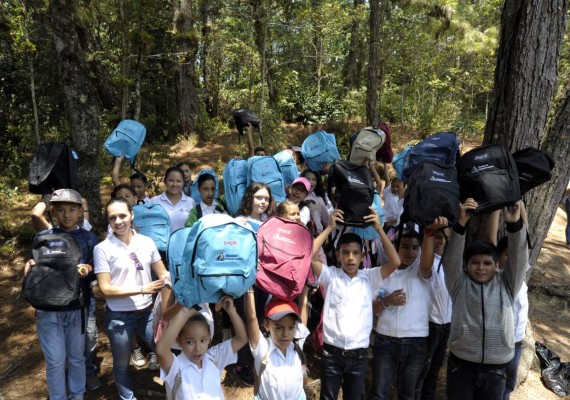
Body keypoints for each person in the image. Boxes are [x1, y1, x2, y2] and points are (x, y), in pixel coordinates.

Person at [311, 208, 400, 400]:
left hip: (359, 356)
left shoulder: (369, 277)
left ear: (362, 255)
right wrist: (329, 227)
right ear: (338, 255)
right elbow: (308, 255)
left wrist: (379, 228)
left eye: (355, 253)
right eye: (345, 253)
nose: (350, 258)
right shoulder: (331, 276)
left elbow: (395, 261)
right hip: (331, 355)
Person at [443, 199, 528, 400]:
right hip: (461, 365)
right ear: (467, 264)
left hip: (497, 368)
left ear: (497, 265)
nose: (481, 268)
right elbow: (452, 257)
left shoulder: (507, 283)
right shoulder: (458, 282)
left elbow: (519, 257)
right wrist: (461, 223)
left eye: (487, 263)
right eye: (475, 263)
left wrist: (514, 224)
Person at [25, 188, 99, 398]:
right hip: (47, 308)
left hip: (77, 307)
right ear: (53, 212)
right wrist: (30, 266)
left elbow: (97, 269)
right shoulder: (43, 237)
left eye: (71, 210)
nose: (66, 215)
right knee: (55, 360)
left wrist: (88, 270)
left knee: (77, 357)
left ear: (80, 212)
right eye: (61, 210)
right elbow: (37, 265)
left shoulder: (89, 239)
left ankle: (77, 395)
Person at [94, 198, 170, 400]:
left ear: (132, 215)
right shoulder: (102, 249)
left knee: (164, 350)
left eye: (122, 215)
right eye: (112, 218)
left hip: (147, 313)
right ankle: (128, 398)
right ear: (108, 222)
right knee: (121, 364)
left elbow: (163, 273)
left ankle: (176, 390)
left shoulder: (147, 242)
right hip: (119, 316)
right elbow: (106, 289)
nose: (118, 221)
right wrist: (143, 289)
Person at [368, 217, 448, 400]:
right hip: (386, 342)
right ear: (396, 248)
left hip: (416, 343)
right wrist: (387, 301)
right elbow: (373, 309)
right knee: (379, 394)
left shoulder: (423, 272)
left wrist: (429, 232)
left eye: (414, 247)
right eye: (405, 246)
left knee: (408, 394)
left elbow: (426, 264)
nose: (410, 252)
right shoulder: (384, 273)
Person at [156, 297, 248, 399]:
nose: (197, 348)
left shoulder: (214, 357)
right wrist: (184, 314)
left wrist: (231, 312)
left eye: (203, 340)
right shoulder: (176, 366)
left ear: (209, 337)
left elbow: (241, 339)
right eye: (190, 342)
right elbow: (161, 350)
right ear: (179, 341)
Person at [486, 208, 531, 400]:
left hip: (517, 341)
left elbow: (524, 241)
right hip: (499, 341)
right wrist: (496, 209)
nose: (511, 258)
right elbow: (490, 239)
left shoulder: (521, 273)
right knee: (493, 383)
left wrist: (520, 206)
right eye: (506, 255)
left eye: (514, 255)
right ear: (497, 258)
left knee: (508, 386)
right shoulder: (495, 276)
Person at [244, 288, 311, 400]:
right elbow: (251, 318)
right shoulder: (262, 348)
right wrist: (249, 289)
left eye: (291, 328)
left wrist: (304, 288)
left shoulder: (297, 344)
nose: (286, 334)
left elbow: (303, 306)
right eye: (279, 328)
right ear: (266, 324)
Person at [416, 228, 453, 400]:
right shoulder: (425, 261)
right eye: (438, 237)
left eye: (445, 238)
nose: (441, 242)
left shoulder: (453, 263)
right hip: (430, 324)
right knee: (422, 367)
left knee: (435, 367)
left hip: (447, 325)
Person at [151, 166, 195, 232]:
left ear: (183, 183)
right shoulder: (154, 202)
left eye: (178, 181)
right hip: (161, 242)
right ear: (165, 181)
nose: (174, 184)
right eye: (171, 180)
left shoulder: (190, 202)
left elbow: (193, 227)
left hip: (184, 241)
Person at [300, 170, 330, 234]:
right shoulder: (297, 196)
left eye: (314, 179)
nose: (311, 182)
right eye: (308, 179)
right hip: (300, 234)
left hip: (316, 236)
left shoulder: (319, 199)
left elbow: (326, 221)